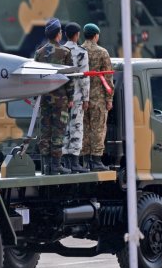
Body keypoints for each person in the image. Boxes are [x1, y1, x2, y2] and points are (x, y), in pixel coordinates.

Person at [34, 18, 74, 175]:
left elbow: (34, 77)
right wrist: (71, 98)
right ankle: (56, 166)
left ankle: (46, 166)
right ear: (59, 33)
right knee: (58, 131)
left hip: (44, 98)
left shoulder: (39, 53)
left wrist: (36, 96)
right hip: (61, 100)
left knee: (45, 131)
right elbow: (70, 78)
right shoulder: (65, 52)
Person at [81, 23, 114, 171]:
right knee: (98, 129)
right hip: (98, 98)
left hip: (81, 98)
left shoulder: (78, 51)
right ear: (95, 36)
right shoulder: (102, 52)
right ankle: (96, 161)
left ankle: (85, 161)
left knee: (83, 129)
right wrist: (109, 98)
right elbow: (107, 78)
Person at [62, 22, 90, 173]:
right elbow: (84, 77)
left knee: (65, 128)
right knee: (77, 127)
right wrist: (86, 98)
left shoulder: (61, 50)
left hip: (63, 96)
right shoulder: (81, 52)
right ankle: (75, 162)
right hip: (78, 96)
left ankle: (65, 162)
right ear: (77, 35)